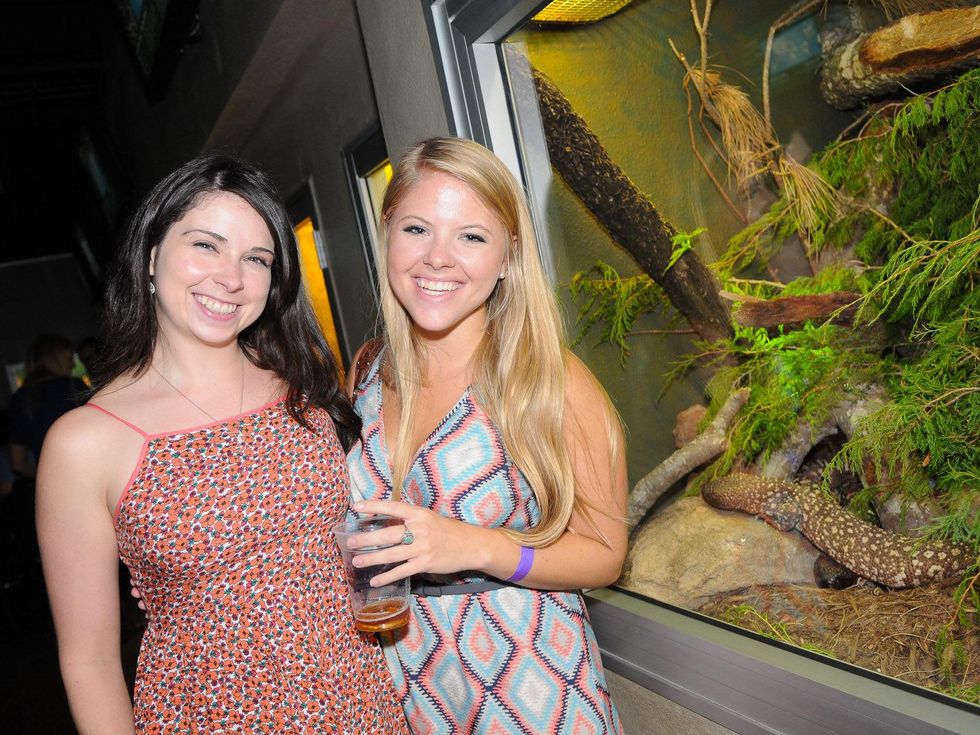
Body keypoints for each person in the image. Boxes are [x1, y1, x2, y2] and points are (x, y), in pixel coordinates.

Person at [36, 155, 407, 734]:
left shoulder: (304, 385)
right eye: (206, 246)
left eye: (255, 259)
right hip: (211, 716)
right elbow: (89, 661)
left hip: (356, 704)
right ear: (153, 255)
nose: (230, 278)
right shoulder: (84, 442)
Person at [344, 137, 628, 734]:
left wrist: (474, 546)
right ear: (388, 236)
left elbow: (605, 554)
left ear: (507, 258)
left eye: (471, 236)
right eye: (417, 229)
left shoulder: (548, 379)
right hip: (397, 675)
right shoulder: (366, 372)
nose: (438, 258)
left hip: (525, 682)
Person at [7, 333, 87, 478]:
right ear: (54, 360)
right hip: (88, 473)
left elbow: (18, 464)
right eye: (69, 358)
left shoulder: (19, 399)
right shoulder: (75, 387)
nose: (74, 365)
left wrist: (49, 479)